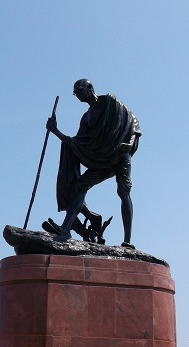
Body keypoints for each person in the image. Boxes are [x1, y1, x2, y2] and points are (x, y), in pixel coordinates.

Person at [46, 79, 141, 248]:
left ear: (90, 88)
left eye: (80, 91)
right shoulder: (86, 118)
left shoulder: (111, 102)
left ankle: (127, 240)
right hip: (102, 160)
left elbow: (133, 122)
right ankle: (65, 229)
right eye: (75, 93)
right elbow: (76, 143)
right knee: (80, 185)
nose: (78, 96)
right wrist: (55, 131)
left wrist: (130, 141)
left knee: (123, 191)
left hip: (120, 154)